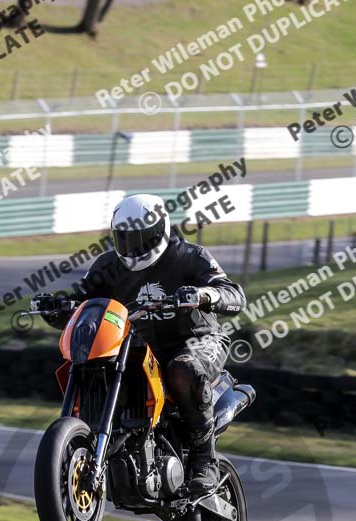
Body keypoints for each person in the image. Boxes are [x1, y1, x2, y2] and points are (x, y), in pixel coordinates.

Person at [31, 193, 246, 496]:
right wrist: (58, 306)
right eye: (127, 239)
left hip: (197, 340)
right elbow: (82, 303)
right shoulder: (107, 266)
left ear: (160, 230)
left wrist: (203, 295)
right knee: (95, 365)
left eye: (142, 239)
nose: (135, 249)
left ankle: (203, 462)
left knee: (183, 369)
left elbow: (235, 294)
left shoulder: (190, 256)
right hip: (139, 346)